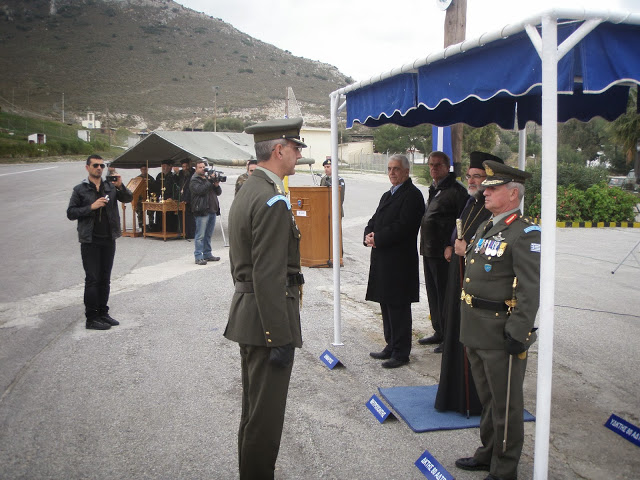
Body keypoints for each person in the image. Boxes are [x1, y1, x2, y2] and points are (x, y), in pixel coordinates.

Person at [224, 117, 306, 480]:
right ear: (279, 150)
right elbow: (268, 274)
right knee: (265, 418)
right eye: (296, 147)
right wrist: (279, 335)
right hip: (266, 321)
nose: (299, 153)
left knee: (254, 412)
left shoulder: (251, 188)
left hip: (250, 315)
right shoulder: (272, 199)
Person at [455, 160, 540, 480]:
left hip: (500, 329)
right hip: (476, 326)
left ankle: (505, 468)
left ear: (513, 194)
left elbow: (530, 289)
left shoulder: (526, 232)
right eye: (486, 187)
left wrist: (518, 331)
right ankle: (488, 452)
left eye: (493, 188)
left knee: (506, 402)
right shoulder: (487, 225)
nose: (485, 192)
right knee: (488, 397)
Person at [435, 151, 504, 416]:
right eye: (471, 176)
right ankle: (452, 394)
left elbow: (491, 245)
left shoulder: (491, 208)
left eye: (478, 177)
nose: (473, 181)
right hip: (458, 273)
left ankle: (468, 399)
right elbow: (459, 230)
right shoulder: (472, 201)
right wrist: (451, 244)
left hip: (476, 281)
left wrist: (467, 248)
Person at [365, 154, 425, 368]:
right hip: (383, 259)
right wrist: (368, 233)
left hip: (399, 262)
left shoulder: (413, 196)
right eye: (389, 168)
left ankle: (401, 352)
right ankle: (390, 345)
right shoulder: (387, 194)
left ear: (407, 171)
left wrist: (378, 237)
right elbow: (374, 219)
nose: (392, 172)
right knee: (386, 303)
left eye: (396, 169)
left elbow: (404, 227)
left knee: (398, 306)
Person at [66, 154, 133, 330]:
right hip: (90, 240)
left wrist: (120, 186)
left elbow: (128, 198)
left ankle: (103, 313)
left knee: (105, 279)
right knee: (92, 279)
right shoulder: (80, 190)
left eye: (101, 166)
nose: (99, 168)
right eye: (95, 165)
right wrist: (91, 207)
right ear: (87, 167)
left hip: (108, 239)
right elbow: (71, 213)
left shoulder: (109, 186)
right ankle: (91, 318)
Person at [418, 151, 469, 352]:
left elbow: (462, 221)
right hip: (429, 250)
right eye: (431, 165)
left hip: (445, 253)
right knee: (434, 294)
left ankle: (450, 337)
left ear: (447, 167)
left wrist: (452, 243)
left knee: (446, 296)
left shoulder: (456, 191)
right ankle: (439, 331)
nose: (433, 168)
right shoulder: (435, 188)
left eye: (438, 165)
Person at [189, 160, 222, 265]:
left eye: (204, 167)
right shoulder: (194, 180)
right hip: (202, 210)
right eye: (200, 167)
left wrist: (216, 184)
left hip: (212, 209)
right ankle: (198, 256)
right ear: (196, 169)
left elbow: (218, 193)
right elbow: (201, 191)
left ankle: (207, 254)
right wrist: (209, 180)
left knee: (208, 234)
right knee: (200, 235)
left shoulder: (208, 179)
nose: (203, 169)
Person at [155, 159, 178, 231]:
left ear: (170, 167)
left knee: (169, 215)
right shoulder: (159, 175)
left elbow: (176, 188)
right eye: (162, 166)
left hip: (169, 198)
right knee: (159, 214)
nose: (164, 168)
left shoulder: (173, 176)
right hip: (160, 198)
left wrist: (172, 198)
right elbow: (156, 187)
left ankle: (169, 230)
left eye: (165, 166)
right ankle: (159, 229)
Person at [177, 159, 196, 238]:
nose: (185, 168)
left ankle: (190, 234)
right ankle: (182, 232)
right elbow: (178, 183)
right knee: (182, 216)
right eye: (183, 167)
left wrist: (186, 198)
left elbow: (191, 188)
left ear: (189, 165)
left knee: (190, 218)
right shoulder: (181, 173)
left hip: (190, 199)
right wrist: (176, 173)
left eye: (186, 166)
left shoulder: (193, 173)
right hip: (182, 198)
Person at [136, 164, 155, 230]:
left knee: (151, 212)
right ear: (140, 170)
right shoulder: (137, 178)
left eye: (145, 169)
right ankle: (141, 225)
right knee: (139, 212)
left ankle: (151, 224)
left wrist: (148, 184)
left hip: (149, 197)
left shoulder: (151, 178)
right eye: (142, 169)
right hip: (140, 198)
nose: (144, 171)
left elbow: (154, 188)